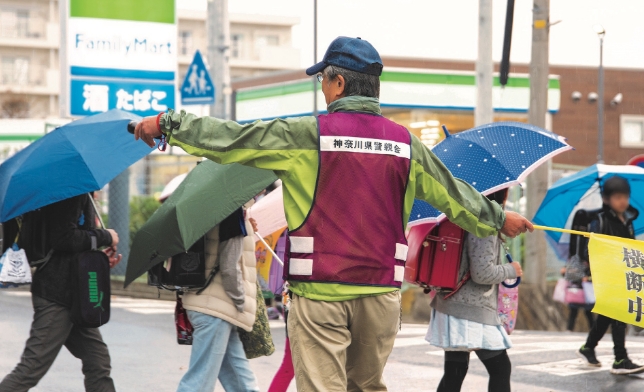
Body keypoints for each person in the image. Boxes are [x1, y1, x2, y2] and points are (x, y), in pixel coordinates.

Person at [134, 36, 533, 391]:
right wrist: (501, 219)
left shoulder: (307, 134)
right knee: (367, 386)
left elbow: (232, 139)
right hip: (380, 295)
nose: (321, 87)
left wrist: (168, 123)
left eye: (322, 78)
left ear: (339, 83)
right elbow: (456, 195)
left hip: (321, 292)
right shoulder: (405, 143)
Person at [0, 194, 122, 392]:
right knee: (30, 369)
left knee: (97, 360)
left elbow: (70, 241)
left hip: (75, 293)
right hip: (56, 295)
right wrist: (105, 236)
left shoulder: (78, 191)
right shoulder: (71, 192)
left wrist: (97, 257)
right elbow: (63, 238)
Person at [426, 189, 520, 392]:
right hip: (470, 310)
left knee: (455, 371)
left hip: (453, 304)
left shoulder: (466, 215)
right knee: (500, 368)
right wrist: (512, 270)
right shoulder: (484, 223)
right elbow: (482, 273)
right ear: (500, 196)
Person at [176, 208, 260, 392]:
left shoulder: (210, 209)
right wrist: (241, 301)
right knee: (198, 384)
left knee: (242, 384)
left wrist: (247, 228)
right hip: (217, 308)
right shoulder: (231, 212)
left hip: (210, 304)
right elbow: (230, 267)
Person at [577, 176, 644, 374]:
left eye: (625, 197)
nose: (622, 201)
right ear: (607, 199)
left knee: (608, 314)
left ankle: (588, 347)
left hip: (624, 273)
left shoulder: (629, 221)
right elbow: (592, 248)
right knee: (618, 314)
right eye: (617, 197)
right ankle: (620, 359)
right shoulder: (599, 220)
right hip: (607, 274)